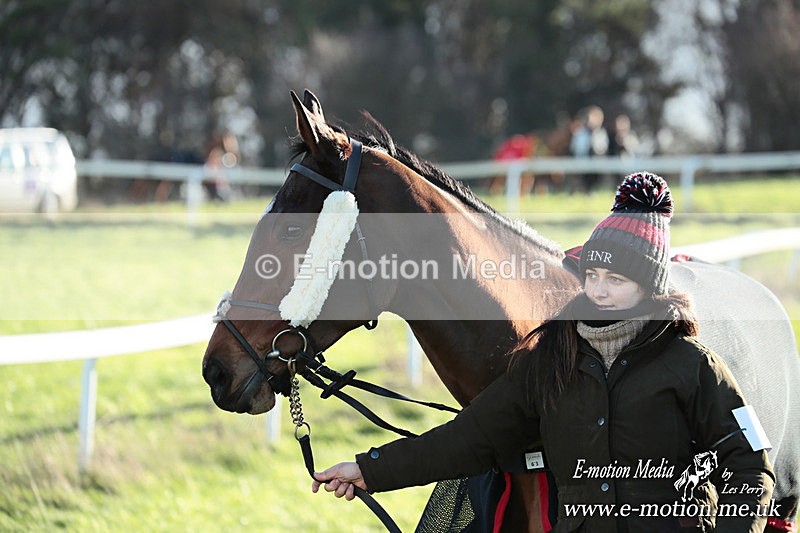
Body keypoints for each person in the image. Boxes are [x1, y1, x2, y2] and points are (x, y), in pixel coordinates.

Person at [311, 172, 775, 532]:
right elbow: (472, 437)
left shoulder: (693, 365)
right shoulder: (549, 360)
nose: (599, 290)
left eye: (617, 280)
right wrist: (369, 470)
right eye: (593, 275)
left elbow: (750, 463)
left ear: (650, 286)